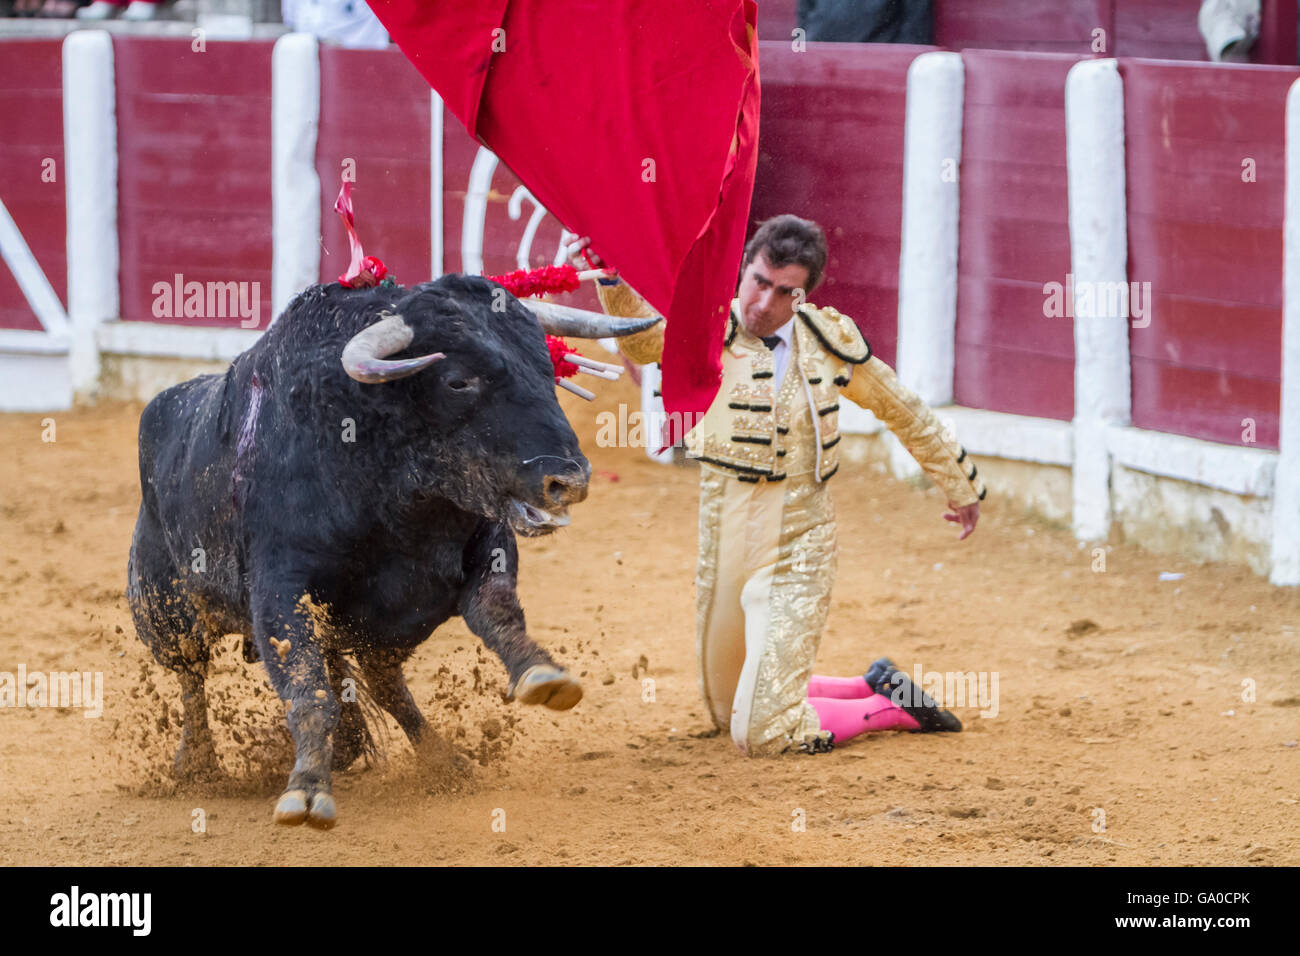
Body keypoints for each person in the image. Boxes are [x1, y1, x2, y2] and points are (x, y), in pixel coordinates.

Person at [570, 215, 986, 756]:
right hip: (724, 534)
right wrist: (611, 281)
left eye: (784, 291)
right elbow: (647, 344)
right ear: (744, 270)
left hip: (798, 538)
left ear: (803, 296)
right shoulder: (709, 325)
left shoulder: (828, 342)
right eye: (759, 282)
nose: (764, 302)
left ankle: (889, 707)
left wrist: (960, 484)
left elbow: (900, 407)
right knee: (726, 714)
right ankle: (870, 683)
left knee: (762, 732)